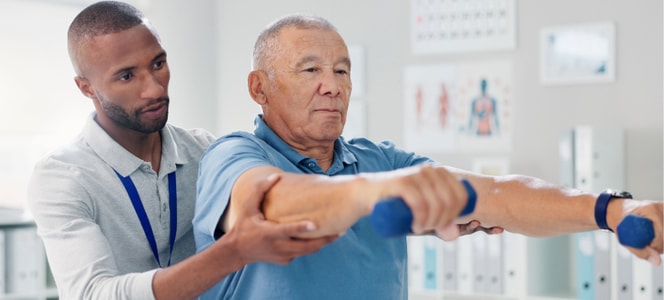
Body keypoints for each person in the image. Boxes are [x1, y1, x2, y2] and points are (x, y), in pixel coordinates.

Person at [192, 13, 664, 299]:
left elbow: (495, 194)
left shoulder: (380, 161)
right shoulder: (234, 155)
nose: (332, 85)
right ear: (260, 88)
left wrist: (612, 210)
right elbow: (272, 205)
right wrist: (387, 191)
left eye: (342, 70)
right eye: (310, 69)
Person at [26, 3, 337, 300]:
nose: (155, 89)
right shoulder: (62, 177)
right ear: (86, 88)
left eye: (158, 64)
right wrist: (234, 251)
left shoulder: (206, 150)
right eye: (126, 76)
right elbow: (92, 294)